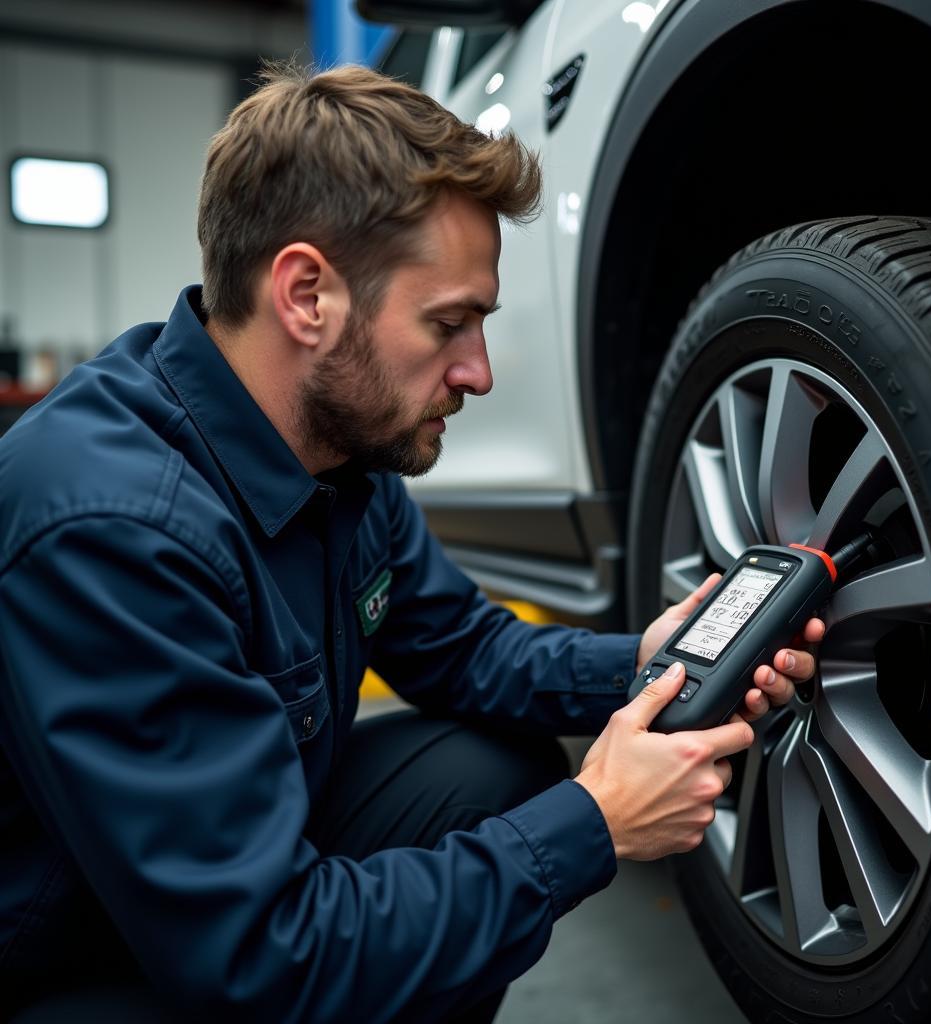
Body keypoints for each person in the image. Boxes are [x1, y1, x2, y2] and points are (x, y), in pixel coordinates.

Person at [0, 64, 824, 1022]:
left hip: (192, 887)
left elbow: (465, 649)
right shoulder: (113, 530)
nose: (476, 371)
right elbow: (259, 960)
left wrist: (649, 664)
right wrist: (595, 826)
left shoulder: (336, 452)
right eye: (449, 323)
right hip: (71, 958)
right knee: (537, 830)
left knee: (494, 776)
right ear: (307, 295)